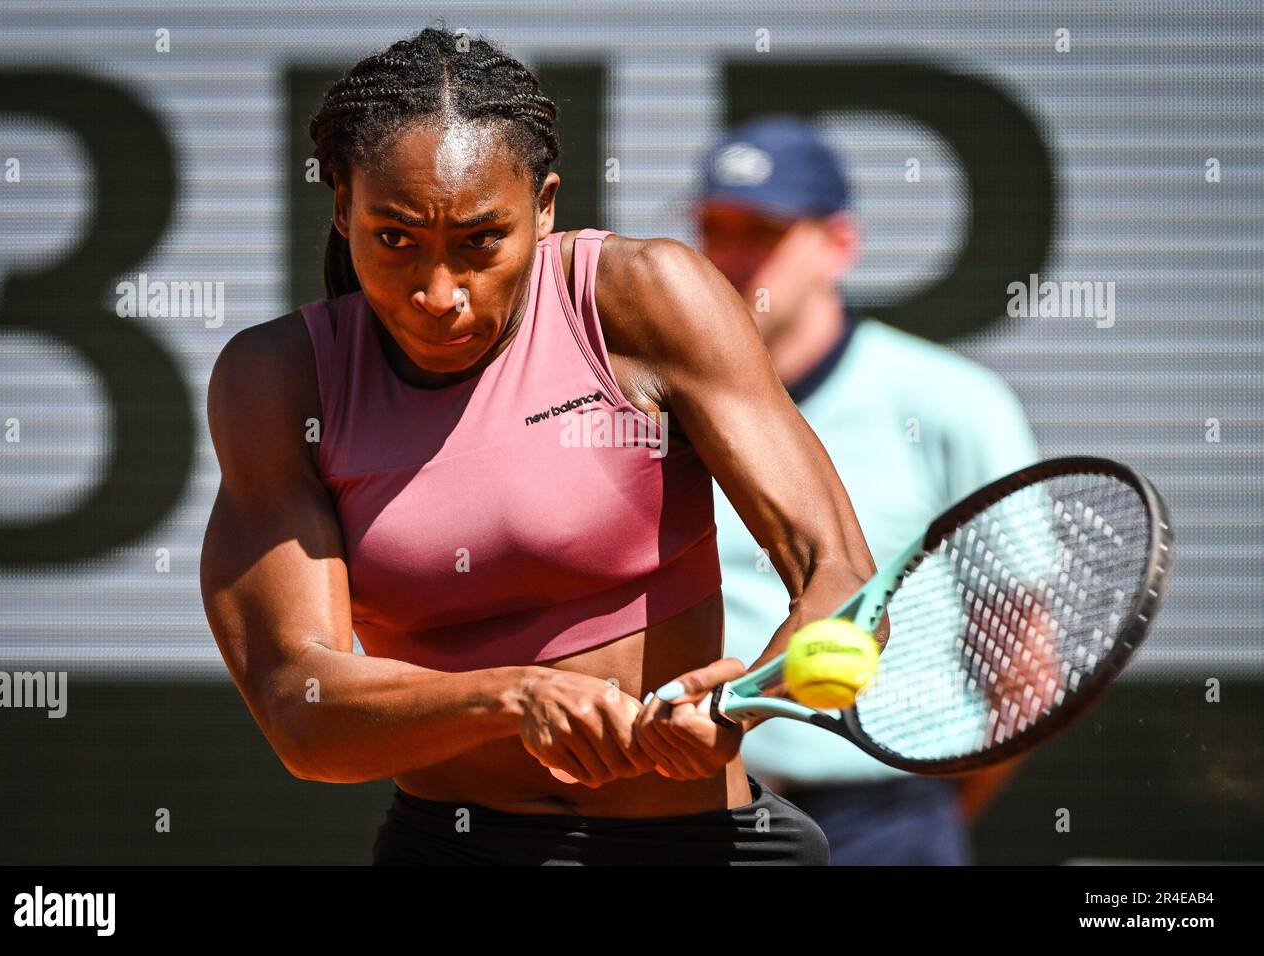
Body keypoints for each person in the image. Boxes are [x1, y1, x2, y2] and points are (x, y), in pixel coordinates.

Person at [199, 28, 881, 865]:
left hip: (710, 845)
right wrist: (511, 696)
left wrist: (741, 702)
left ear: (545, 206)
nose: (438, 294)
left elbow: (839, 574)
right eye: (394, 239)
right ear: (341, 207)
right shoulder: (276, 382)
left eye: (481, 241)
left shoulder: (646, 298)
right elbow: (301, 712)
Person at [694, 114, 1039, 865]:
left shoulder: (956, 403)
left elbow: (1027, 660)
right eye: (715, 226)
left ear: (838, 245)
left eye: (762, 229)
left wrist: (933, 809)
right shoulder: (655, 408)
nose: (731, 255)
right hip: (698, 811)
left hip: (890, 821)